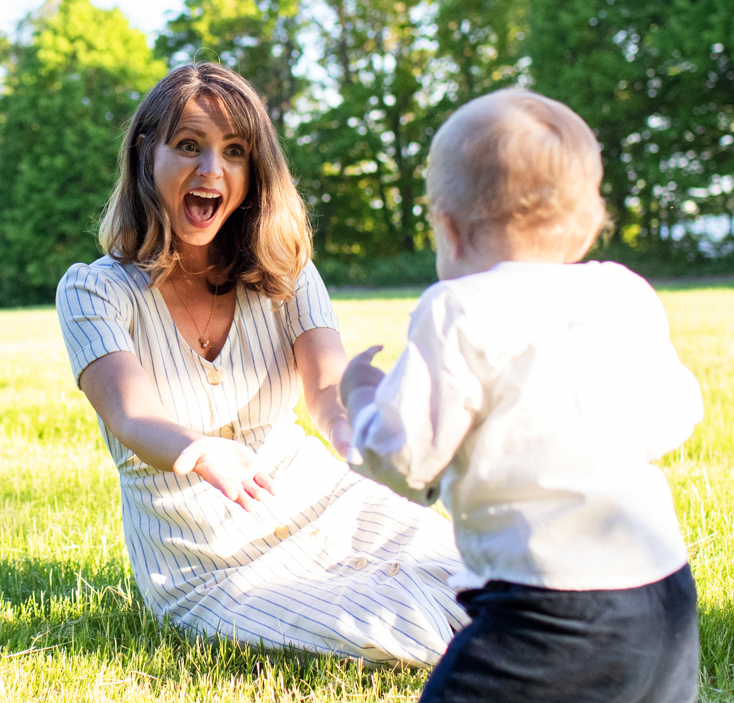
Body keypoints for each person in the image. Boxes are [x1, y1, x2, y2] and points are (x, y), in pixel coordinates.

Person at [342, 89, 720, 703]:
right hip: (661, 589)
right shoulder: (622, 293)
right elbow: (674, 414)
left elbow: (407, 452)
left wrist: (362, 400)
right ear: (587, 217)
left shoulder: (454, 310)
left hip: (551, 599)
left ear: (447, 226)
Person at [54, 63, 478, 666]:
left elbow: (326, 384)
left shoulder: (286, 271)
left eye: (234, 151)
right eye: (188, 146)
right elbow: (130, 413)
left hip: (324, 500)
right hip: (207, 559)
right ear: (147, 155)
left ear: (255, 173)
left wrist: (350, 430)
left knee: (488, 575)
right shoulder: (94, 292)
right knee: (393, 624)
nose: (211, 171)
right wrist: (199, 451)